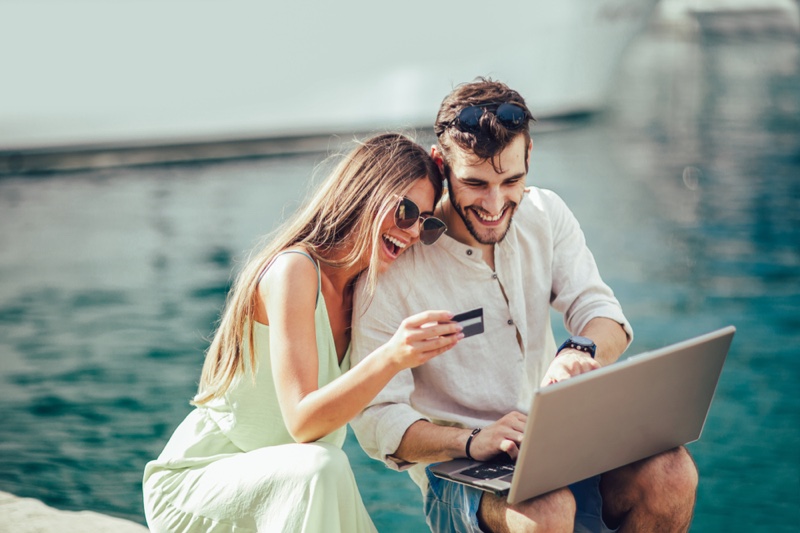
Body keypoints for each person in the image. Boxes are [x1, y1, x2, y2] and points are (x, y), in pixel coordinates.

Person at [350, 80, 700, 532]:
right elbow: (378, 421)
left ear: (529, 156)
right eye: (475, 184)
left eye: (511, 181)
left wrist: (580, 350)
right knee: (547, 509)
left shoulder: (547, 214)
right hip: (465, 472)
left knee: (672, 473)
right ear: (441, 165)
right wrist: (473, 440)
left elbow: (602, 312)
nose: (495, 204)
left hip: (561, 442)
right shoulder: (395, 268)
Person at [142, 133, 466, 533]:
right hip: (200, 488)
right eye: (406, 211)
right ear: (365, 192)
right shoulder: (294, 270)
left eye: (427, 222)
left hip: (290, 491)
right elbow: (302, 423)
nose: (414, 232)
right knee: (325, 467)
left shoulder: (365, 292)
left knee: (328, 471)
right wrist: (392, 356)